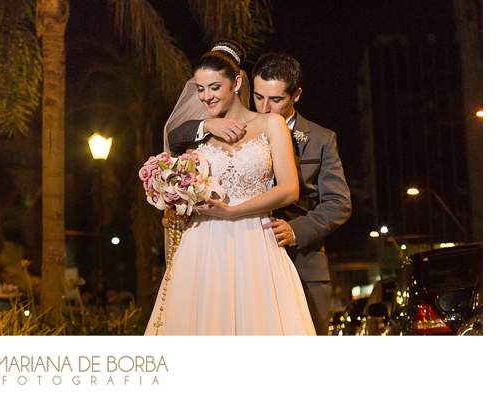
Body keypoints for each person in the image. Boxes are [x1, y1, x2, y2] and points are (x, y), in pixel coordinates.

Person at [166, 51, 351, 334]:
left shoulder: (322, 139)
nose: (265, 107)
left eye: (275, 100)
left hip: (302, 261)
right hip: (233, 251)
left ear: (296, 95)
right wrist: (206, 124)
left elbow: (338, 204)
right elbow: (175, 137)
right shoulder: (225, 127)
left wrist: (295, 230)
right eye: (259, 97)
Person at [144, 40, 315, 335]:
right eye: (200, 89)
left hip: (254, 241)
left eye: (214, 87)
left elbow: (289, 189)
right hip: (202, 245)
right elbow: (173, 143)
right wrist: (184, 203)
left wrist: (232, 211)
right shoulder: (195, 137)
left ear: (236, 83)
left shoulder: (270, 124)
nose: (206, 97)